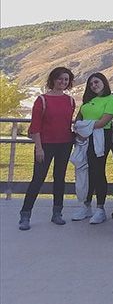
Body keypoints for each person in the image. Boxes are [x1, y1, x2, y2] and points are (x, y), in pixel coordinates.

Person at [19, 67, 76, 231]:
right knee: (38, 179)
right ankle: (25, 214)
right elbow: (35, 126)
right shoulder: (42, 100)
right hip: (45, 145)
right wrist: (39, 148)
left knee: (60, 178)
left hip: (64, 144)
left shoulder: (70, 101)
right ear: (53, 79)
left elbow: (67, 123)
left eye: (66, 79)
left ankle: (57, 213)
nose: (63, 82)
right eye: (60, 79)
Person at [74, 72, 113, 224]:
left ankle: (100, 208)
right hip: (84, 138)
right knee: (85, 170)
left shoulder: (111, 99)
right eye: (91, 84)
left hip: (101, 137)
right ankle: (86, 205)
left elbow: (103, 121)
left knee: (98, 170)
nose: (94, 85)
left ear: (104, 82)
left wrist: (83, 129)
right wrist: (80, 130)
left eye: (96, 82)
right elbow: (78, 118)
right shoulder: (88, 100)